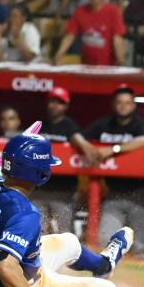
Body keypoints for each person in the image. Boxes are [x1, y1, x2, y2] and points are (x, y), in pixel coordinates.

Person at [0, 133, 133, 287]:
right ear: (38, 173)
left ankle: (103, 265)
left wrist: (13, 153)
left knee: (69, 241)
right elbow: (5, 266)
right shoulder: (25, 213)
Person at [81, 84, 144, 254]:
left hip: (139, 193)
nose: (123, 106)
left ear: (134, 105)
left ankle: (141, 280)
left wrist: (113, 149)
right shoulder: (105, 123)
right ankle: (110, 276)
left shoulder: (139, 124)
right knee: (105, 240)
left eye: (127, 103)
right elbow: (79, 136)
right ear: (114, 104)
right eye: (120, 102)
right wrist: (88, 148)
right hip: (113, 193)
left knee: (139, 245)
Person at [35, 86, 95, 235]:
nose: (55, 106)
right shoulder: (40, 125)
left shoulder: (70, 126)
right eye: (52, 101)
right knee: (38, 232)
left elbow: (77, 139)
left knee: (64, 234)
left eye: (59, 102)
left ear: (66, 105)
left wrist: (85, 146)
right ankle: (38, 258)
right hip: (40, 189)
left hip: (63, 191)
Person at [54, 0, 126, 67]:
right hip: (86, 65)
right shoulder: (80, 11)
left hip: (108, 66)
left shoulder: (113, 11)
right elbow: (69, 36)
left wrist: (122, 62)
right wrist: (57, 56)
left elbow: (117, 38)